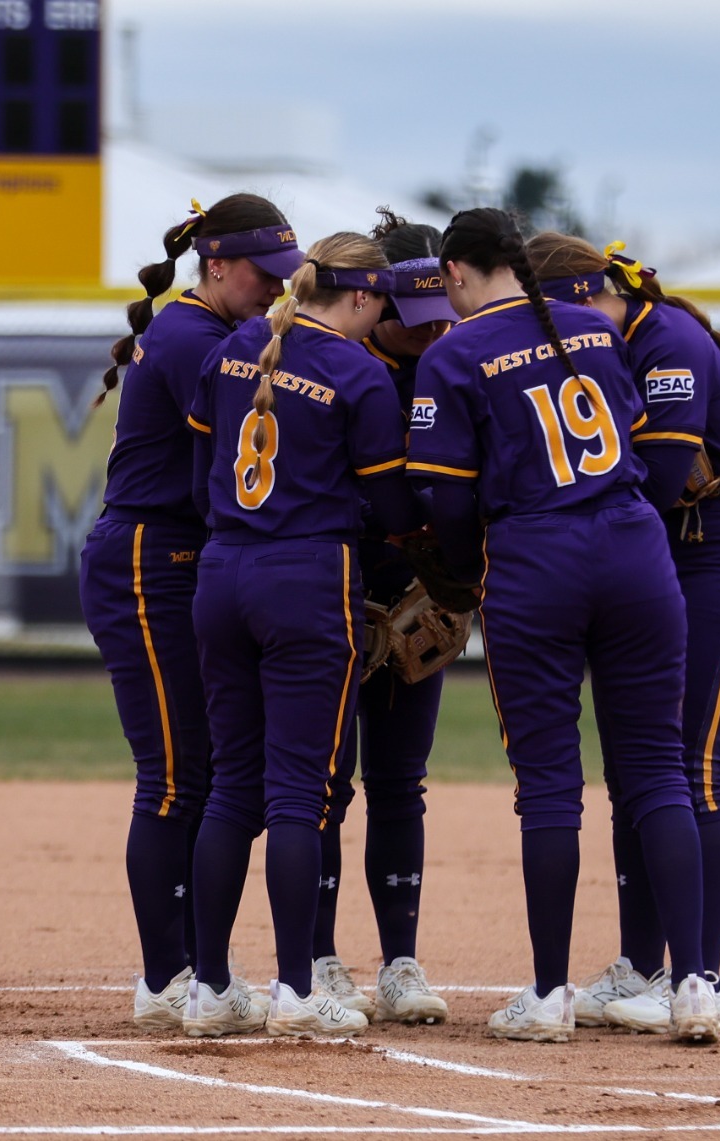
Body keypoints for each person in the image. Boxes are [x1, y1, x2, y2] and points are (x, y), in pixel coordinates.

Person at [408, 207, 719, 1043]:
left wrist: (464, 568)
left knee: (549, 785)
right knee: (657, 771)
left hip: (536, 558)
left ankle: (549, 993)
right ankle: (691, 983)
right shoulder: (592, 328)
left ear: (456, 274)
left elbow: (443, 492)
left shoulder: (454, 351)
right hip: (634, 549)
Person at [525, 234, 720, 1034]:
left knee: (690, 767)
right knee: (637, 774)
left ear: (576, 296)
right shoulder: (609, 342)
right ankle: (642, 967)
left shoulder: (665, 339)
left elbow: (664, 479)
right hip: (653, 555)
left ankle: (702, 973)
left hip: (716, 549)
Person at [181, 231, 426, 1038]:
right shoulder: (359, 372)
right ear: (359, 296)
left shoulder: (236, 346)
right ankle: (295, 989)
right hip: (307, 579)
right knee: (299, 792)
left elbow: (197, 476)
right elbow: (392, 513)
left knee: (230, 789)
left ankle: (211, 987)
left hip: (222, 571)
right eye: (381, 302)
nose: (382, 317)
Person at [81, 195, 306, 1033]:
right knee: (177, 774)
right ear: (217, 265)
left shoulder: (202, 332)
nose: (276, 292)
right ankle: (165, 975)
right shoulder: (190, 338)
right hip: (146, 560)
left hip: (177, 558)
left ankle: (179, 967)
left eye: (289, 278)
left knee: (202, 772)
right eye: (265, 275)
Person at [308, 210, 458, 1025]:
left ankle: (399, 963)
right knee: (325, 788)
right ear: (373, 301)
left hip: (411, 602)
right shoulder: (335, 363)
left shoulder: (449, 361)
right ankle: (321, 960)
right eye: (413, 313)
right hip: (331, 599)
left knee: (400, 784)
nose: (430, 329)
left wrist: (449, 586)